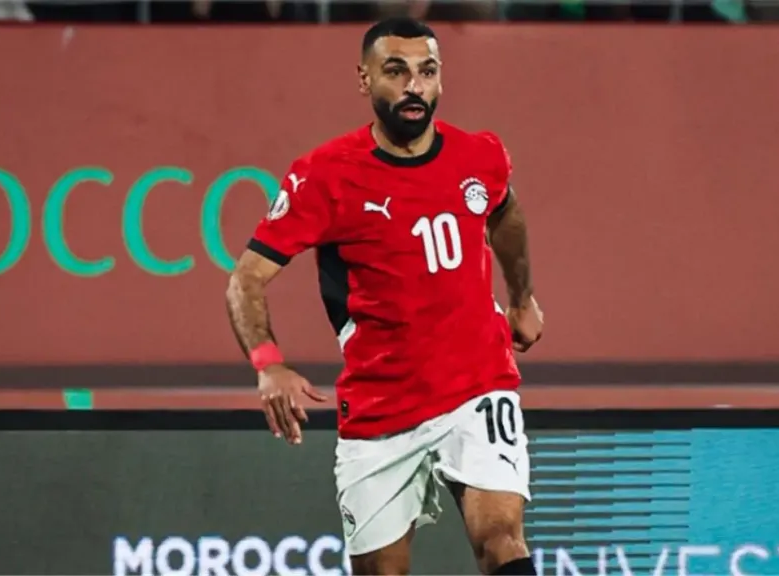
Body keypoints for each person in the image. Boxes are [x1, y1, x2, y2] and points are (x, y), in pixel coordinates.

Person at [225, 17, 544, 576]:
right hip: (381, 404)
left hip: (477, 383)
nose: (414, 86)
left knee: (501, 541)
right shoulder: (325, 176)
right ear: (365, 78)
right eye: (396, 71)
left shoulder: (480, 155)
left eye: (427, 71)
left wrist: (522, 298)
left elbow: (505, 211)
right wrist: (268, 364)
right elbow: (245, 279)